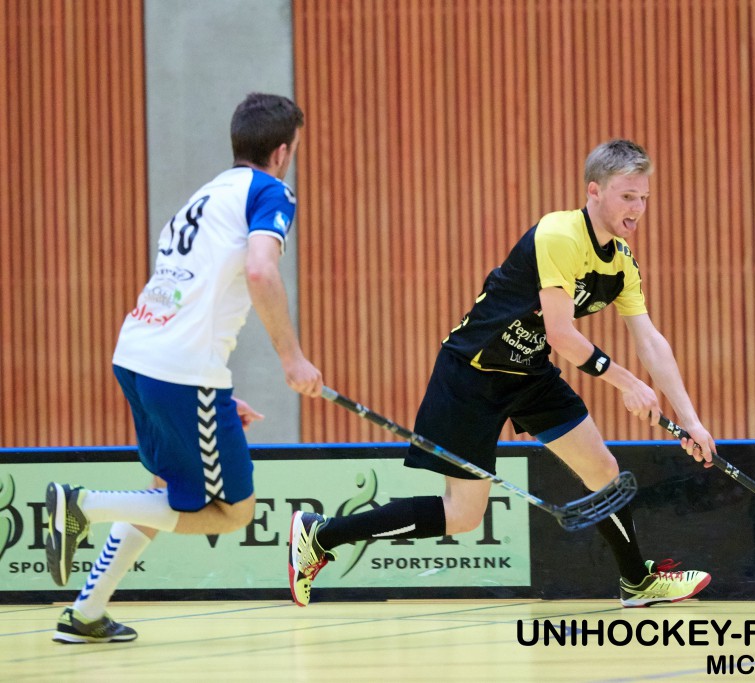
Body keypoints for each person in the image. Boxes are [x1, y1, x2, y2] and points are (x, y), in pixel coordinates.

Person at [288, 139, 716, 608]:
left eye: (644, 198)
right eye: (627, 196)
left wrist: (691, 422)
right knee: (463, 514)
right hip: (471, 374)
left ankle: (636, 582)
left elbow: (650, 340)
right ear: (594, 191)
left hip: (528, 372)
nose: (637, 209)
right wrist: (628, 383)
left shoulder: (621, 263)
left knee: (603, 470)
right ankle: (321, 535)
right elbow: (561, 335)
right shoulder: (560, 235)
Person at [45, 92, 323, 643]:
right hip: (181, 370)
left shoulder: (206, 195)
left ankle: (86, 613)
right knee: (234, 512)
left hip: (139, 356)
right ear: (283, 151)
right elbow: (261, 271)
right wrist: (292, 359)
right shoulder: (270, 191)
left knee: (162, 489)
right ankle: (83, 505)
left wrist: (214, 398)